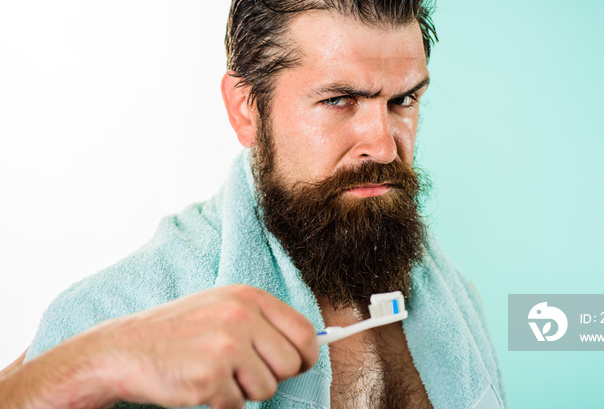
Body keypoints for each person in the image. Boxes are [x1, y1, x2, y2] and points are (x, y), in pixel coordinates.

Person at [0, 1, 506, 408]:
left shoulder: (453, 298)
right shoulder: (116, 318)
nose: (384, 145)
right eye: (338, 100)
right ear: (246, 110)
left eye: (403, 101)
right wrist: (88, 369)